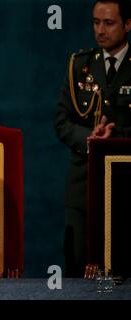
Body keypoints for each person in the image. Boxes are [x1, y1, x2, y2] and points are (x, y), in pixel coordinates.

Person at [55, 0, 131, 277]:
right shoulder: (80, 65)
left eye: (109, 23)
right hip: (84, 181)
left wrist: (113, 139)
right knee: (78, 264)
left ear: (128, 25)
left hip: (125, 179)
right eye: (96, 22)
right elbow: (62, 121)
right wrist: (90, 138)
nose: (100, 29)